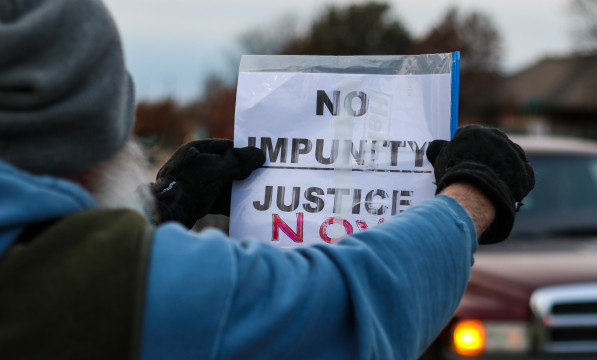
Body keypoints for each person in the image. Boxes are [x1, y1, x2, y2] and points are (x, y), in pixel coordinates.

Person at [0, 1, 535, 359]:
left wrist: (159, 207)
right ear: (88, 138)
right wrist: (472, 194)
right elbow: (350, 307)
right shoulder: (96, 281)